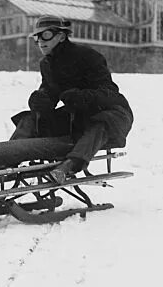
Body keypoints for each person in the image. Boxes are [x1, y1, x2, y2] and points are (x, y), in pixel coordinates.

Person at [11, 15, 133, 183]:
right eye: (37, 37)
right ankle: (6, 160)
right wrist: (41, 101)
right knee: (31, 119)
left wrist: (83, 97)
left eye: (46, 35)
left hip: (112, 113)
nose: (40, 41)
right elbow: (50, 93)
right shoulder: (46, 64)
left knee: (100, 123)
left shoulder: (87, 56)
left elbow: (109, 92)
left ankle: (68, 166)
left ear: (61, 36)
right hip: (77, 117)